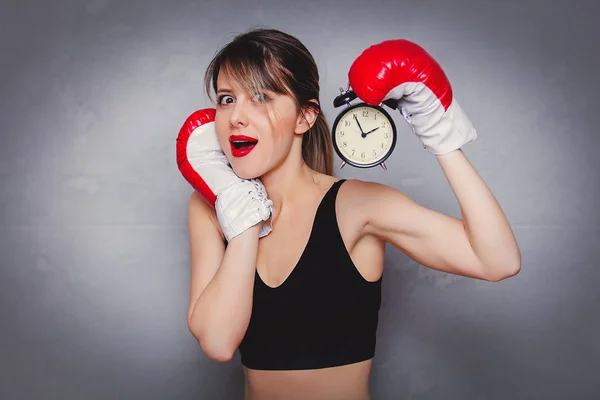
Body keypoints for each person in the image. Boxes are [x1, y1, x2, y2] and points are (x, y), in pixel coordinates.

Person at [176, 28, 521, 400]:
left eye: (261, 97)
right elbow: (218, 342)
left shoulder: (357, 206)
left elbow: (497, 261)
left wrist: (440, 133)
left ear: (304, 118)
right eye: (227, 99)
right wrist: (242, 216)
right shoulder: (209, 208)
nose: (236, 117)